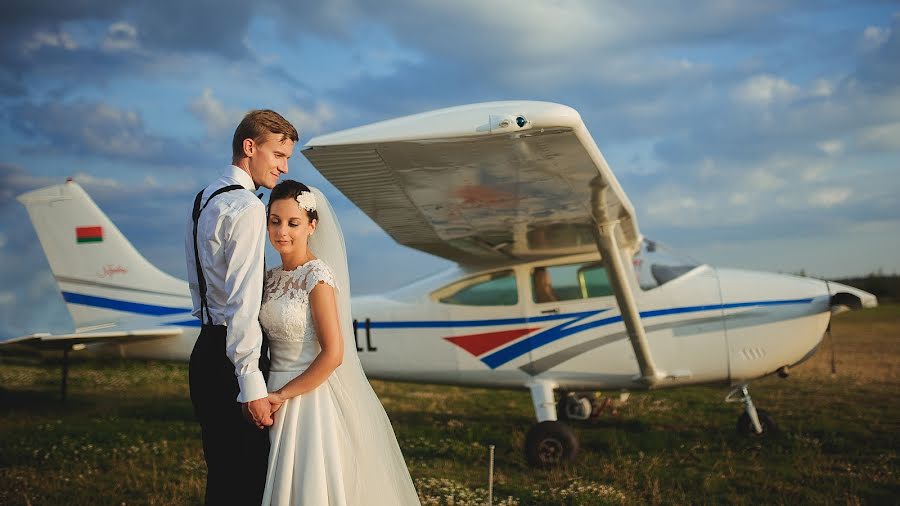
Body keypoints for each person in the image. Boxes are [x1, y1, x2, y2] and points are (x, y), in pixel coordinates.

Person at [260, 180, 420, 505]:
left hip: (306, 399)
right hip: (268, 391)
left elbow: (333, 354)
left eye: (293, 223)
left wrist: (282, 394)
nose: (282, 232)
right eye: (275, 221)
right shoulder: (270, 277)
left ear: (312, 225)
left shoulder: (316, 276)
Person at [184, 110, 298, 505]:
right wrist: (251, 384)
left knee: (222, 478)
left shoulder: (203, 199)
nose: (283, 168)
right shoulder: (248, 208)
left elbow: (200, 288)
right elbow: (242, 304)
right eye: (279, 155)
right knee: (247, 484)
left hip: (205, 352)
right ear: (249, 148)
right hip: (233, 363)